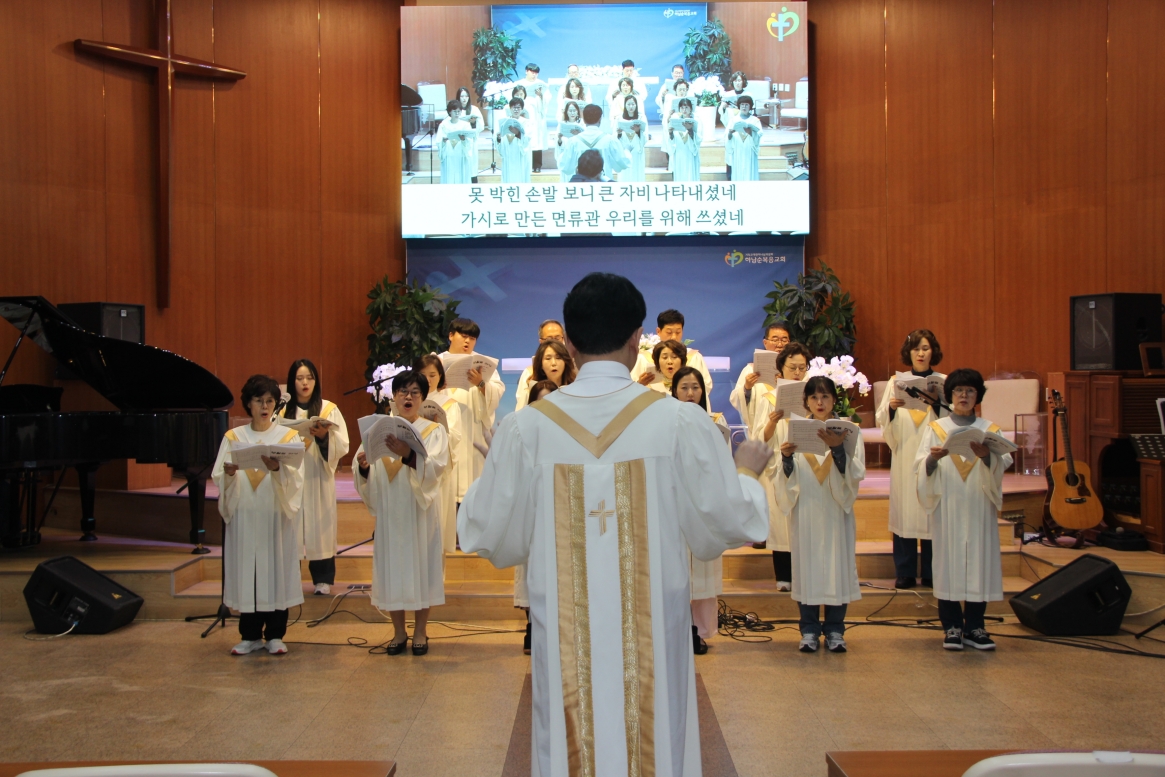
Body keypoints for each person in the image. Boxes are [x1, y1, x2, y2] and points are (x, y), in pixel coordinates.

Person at [458, 272, 771, 777]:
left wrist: (497, 469)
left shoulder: (525, 429)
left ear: (570, 344)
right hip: (656, 640)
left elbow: (487, 534)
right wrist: (748, 474)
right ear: (636, 339)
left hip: (563, 642)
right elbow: (728, 521)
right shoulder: (679, 421)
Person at [354, 369, 449, 656]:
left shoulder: (433, 431)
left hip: (419, 512)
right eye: (403, 392)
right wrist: (363, 468)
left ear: (422, 398)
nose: (408, 397)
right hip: (390, 511)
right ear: (394, 396)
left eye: (415, 392)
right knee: (392, 569)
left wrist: (408, 454)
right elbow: (364, 473)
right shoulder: (377, 430)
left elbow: (437, 469)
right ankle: (398, 632)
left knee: (422, 568)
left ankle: (420, 631)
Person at [915, 369, 1011, 651]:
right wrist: (932, 460)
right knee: (949, 563)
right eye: (958, 390)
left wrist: (988, 456)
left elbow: (1003, 462)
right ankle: (952, 627)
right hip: (949, 504)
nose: (964, 396)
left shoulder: (989, 429)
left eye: (970, 390)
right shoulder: (937, 428)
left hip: (978, 505)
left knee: (979, 563)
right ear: (950, 395)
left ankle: (976, 626)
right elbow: (920, 466)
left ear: (978, 396)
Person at [212, 374, 305, 656]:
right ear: (248, 404)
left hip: (274, 516)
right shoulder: (234, 437)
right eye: (258, 400)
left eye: (269, 401)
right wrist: (229, 474)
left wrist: (278, 470)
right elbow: (219, 476)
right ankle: (250, 635)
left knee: (275, 571)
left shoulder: (287, 437)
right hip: (246, 516)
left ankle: (275, 634)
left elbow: (297, 479)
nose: (264, 406)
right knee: (248, 572)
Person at [773, 376, 865, 653]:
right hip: (807, 511)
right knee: (808, 568)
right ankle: (809, 629)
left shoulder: (848, 431)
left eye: (825, 396)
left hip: (836, 510)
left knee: (837, 567)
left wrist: (838, 448)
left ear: (835, 400)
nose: (820, 402)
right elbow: (787, 478)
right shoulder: (796, 430)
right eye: (814, 397)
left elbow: (856, 473)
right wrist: (786, 459)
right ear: (806, 402)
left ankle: (836, 629)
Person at [875, 329, 945, 589]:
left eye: (925, 348)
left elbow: (952, 418)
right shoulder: (897, 382)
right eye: (916, 349)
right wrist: (892, 409)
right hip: (905, 452)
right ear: (909, 352)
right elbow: (882, 418)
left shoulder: (943, 382)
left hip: (932, 453)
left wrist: (936, 404)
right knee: (905, 510)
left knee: (930, 509)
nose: (921, 353)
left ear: (932, 351)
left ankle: (930, 571)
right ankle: (904, 571)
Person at [671, 365, 727, 655]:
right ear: (674, 391)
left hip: (705, 504)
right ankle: (676, 630)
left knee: (702, 570)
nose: (690, 393)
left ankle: (698, 631)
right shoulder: (665, 421)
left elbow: (724, 462)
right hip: (676, 503)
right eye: (684, 388)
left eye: (695, 387)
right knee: (676, 568)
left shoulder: (716, 420)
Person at [281, 359, 349, 596]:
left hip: (317, 476)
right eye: (299, 378)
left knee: (320, 528)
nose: (305, 383)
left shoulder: (327, 409)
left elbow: (343, 444)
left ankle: (323, 579)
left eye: (309, 378)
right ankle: (288, 579)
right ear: (292, 382)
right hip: (291, 476)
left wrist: (323, 437)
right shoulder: (282, 411)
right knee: (291, 527)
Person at [753, 341, 813, 589]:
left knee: (804, 520)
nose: (797, 372)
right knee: (781, 522)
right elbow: (760, 437)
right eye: (792, 367)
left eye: (802, 368)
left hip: (806, 464)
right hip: (779, 463)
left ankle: (805, 576)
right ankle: (784, 578)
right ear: (781, 369)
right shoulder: (769, 398)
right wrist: (772, 421)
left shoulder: (814, 397)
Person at [514, 377, 561, 655]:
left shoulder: (570, 433)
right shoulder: (523, 433)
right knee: (531, 567)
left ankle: (557, 626)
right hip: (532, 508)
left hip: (560, 509)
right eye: (541, 402)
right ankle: (533, 625)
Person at [439, 318, 506, 507]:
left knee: (472, 492)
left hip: (472, 428)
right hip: (445, 428)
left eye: (473, 338)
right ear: (451, 335)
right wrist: (436, 387)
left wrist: (481, 383)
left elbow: (497, 390)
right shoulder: (436, 361)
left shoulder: (482, 363)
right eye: (464, 336)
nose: (468, 341)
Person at [416, 353, 465, 554]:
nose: (428, 380)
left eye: (432, 375)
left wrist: (436, 428)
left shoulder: (448, 404)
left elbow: (455, 436)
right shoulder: (408, 400)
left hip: (438, 471)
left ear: (440, 377)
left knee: (436, 525)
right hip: (413, 469)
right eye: (423, 375)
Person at [633, 309, 713, 406]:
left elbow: (705, 386)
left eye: (678, 332)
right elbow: (630, 390)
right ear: (658, 331)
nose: (674, 337)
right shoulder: (644, 359)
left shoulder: (693, 357)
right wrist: (639, 384)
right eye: (669, 332)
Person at [729, 322, 791, 431]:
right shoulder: (751, 370)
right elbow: (735, 400)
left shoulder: (796, 371)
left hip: (788, 431)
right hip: (761, 432)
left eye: (784, 340)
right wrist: (747, 388)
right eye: (775, 340)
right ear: (765, 343)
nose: (780, 344)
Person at [558, 104, 630, 181]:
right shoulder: (610, 140)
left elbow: (564, 166)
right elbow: (623, 163)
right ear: (600, 119)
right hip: (603, 185)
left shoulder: (573, 141)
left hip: (581, 184)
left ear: (584, 119)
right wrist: (627, 151)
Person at [515, 338, 576, 412]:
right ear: (541, 364)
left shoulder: (575, 390)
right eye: (548, 358)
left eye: (558, 358)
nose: (553, 363)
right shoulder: (530, 392)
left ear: (565, 361)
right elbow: (519, 415)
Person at [515, 319, 567, 405]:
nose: (554, 342)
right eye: (549, 339)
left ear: (564, 339)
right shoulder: (529, 373)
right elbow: (521, 407)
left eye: (557, 338)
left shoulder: (576, 369)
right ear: (541, 341)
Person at [436, 99, 476, 185]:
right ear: (450, 112)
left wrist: (463, 140)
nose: (457, 113)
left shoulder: (465, 125)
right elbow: (439, 141)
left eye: (459, 111)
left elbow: (469, 142)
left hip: (461, 155)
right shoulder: (444, 125)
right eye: (455, 111)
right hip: (449, 156)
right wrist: (444, 141)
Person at [718, 71, 749, 180]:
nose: (738, 83)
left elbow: (752, 111)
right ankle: (730, 176)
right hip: (731, 127)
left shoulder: (748, 94)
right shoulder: (728, 95)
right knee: (730, 153)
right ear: (732, 82)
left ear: (743, 81)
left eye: (740, 80)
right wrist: (724, 107)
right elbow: (721, 111)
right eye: (736, 81)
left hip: (744, 127)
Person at [726, 96, 762, 182]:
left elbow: (759, 134)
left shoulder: (755, 120)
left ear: (750, 106)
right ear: (739, 106)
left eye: (746, 105)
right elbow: (727, 138)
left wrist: (751, 132)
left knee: (749, 173)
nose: (744, 107)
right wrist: (730, 133)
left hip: (749, 150)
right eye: (742, 104)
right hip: (738, 150)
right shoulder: (734, 120)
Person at [521, 63, 549, 172]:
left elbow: (547, 99)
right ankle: (525, 164)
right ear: (526, 71)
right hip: (525, 114)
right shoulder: (520, 83)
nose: (534, 75)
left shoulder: (541, 84)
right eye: (532, 72)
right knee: (526, 137)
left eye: (536, 73)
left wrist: (541, 95)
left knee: (537, 139)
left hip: (537, 115)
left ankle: (537, 165)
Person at [453, 87, 485, 184]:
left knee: (471, 165)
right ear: (458, 97)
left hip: (471, 142)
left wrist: (473, 123)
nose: (464, 98)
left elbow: (481, 126)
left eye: (466, 96)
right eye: (462, 96)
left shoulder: (474, 109)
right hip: (459, 142)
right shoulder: (455, 110)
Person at [497, 97, 531, 184]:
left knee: (520, 178)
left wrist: (518, 133)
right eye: (514, 107)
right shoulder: (504, 122)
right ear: (510, 108)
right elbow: (498, 139)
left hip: (519, 155)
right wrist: (498, 138)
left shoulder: (526, 122)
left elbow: (528, 138)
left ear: (522, 109)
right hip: (508, 154)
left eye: (518, 107)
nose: (516, 110)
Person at [669, 96, 703, 182]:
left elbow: (698, 138)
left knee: (690, 176)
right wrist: (670, 133)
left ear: (691, 108)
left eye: (686, 107)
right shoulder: (675, 121)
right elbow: (672, 141)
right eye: (682, 108)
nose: (684, 110)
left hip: (690, 152)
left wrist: (690, 130)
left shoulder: (696, 120)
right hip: (679, 153)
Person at [615, 94, 647, 182]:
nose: (631, 107)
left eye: (633, 104)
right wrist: (619, 134)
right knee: (625, 173)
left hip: (637, 148)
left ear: (636, 105)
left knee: (637, 172)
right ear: (625, 105)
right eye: (628, 104)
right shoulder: (619, 118)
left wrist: (638, 131)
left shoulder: (641, 117)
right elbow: (615, 136)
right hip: (624, 149)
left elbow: (646, 134)